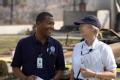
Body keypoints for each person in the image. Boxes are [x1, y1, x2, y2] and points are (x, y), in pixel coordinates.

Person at [11, 12, 65, 80]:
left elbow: (61, 69)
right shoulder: (23, 43)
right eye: (49, 23)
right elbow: (15, 67)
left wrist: (54, 79)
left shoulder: (57, 45)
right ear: (38, 24)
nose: (52, 27)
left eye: (53, 24)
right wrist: (25, 78)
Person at [70, 15, 117, 80]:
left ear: (92, 28)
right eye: (79, 26)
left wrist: (94, 74)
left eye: (82, 26)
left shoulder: (104, 48)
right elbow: (73, 70)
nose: (79, 28)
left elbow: (113, 74)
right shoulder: (77, 47)